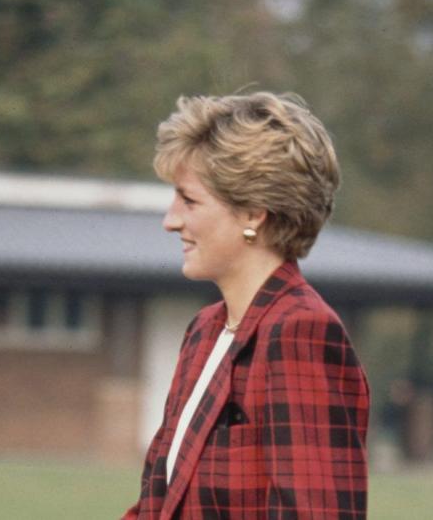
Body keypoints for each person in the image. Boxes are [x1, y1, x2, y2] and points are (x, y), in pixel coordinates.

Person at [123, 92, 370, 519]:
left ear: (254, 213)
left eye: (190, 200)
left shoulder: (299, 330)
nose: (170, 219)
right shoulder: (204, 331)